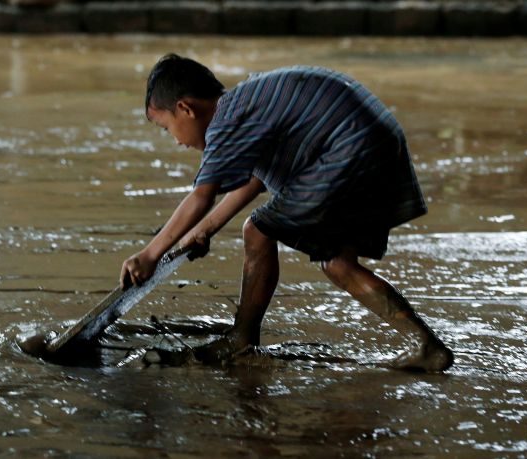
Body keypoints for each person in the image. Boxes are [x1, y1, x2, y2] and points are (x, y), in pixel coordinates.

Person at [120, 53, 454, 372]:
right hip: (374, 141)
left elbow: (201, 196)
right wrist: (205, 230)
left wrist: (150, 254)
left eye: (167, 129)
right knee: (337, 263)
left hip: (350, 147)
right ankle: (427, 347)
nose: (176, 141)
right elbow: (255, 179)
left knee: (258, 229)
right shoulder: (246, 106)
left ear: (185, 109)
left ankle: (241, 338)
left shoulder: (226, 121)